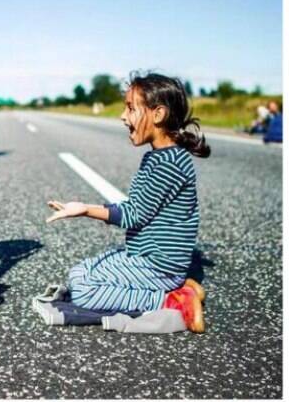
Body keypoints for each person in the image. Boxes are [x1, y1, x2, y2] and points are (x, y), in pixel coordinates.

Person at [45, 73, 211, 333]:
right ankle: (178, 287)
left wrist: (85, 210)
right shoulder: (158, 157)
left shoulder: (169, 164)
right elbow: (140, 206)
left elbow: (133, 215)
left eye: (131, 108)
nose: (123, 116)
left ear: (158, 115)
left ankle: (171, 299)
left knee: (83, 293)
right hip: (144, 257)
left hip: (158, 265)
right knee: (79, 272)